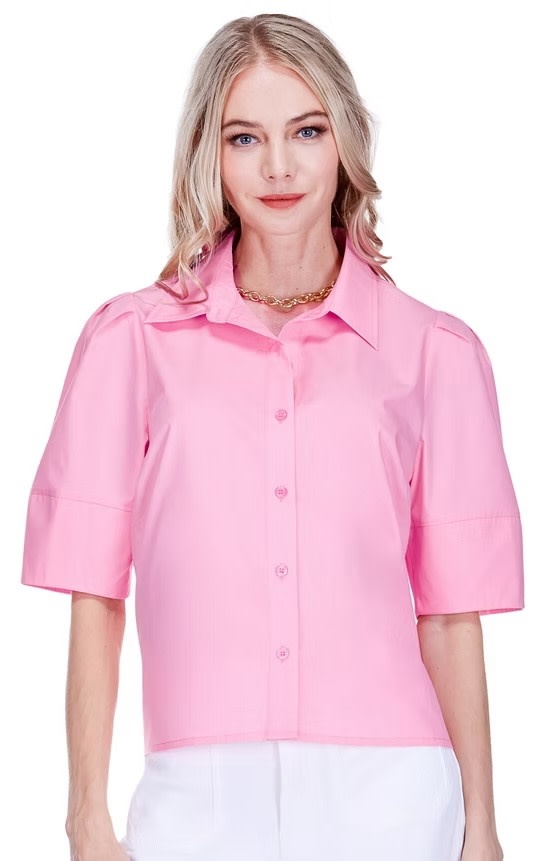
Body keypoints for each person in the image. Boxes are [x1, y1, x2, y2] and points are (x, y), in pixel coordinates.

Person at [20, 12, 524, 861]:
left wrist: (482, 823)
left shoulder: (434, 351)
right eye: (244, 137)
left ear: (345, 142)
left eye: (307, 131)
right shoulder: (131, 342)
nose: (279, 165)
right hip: (198, 796)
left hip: (394, 793)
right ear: (209, 155)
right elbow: (96, 594)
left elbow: (448, 615)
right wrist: (85, 815)